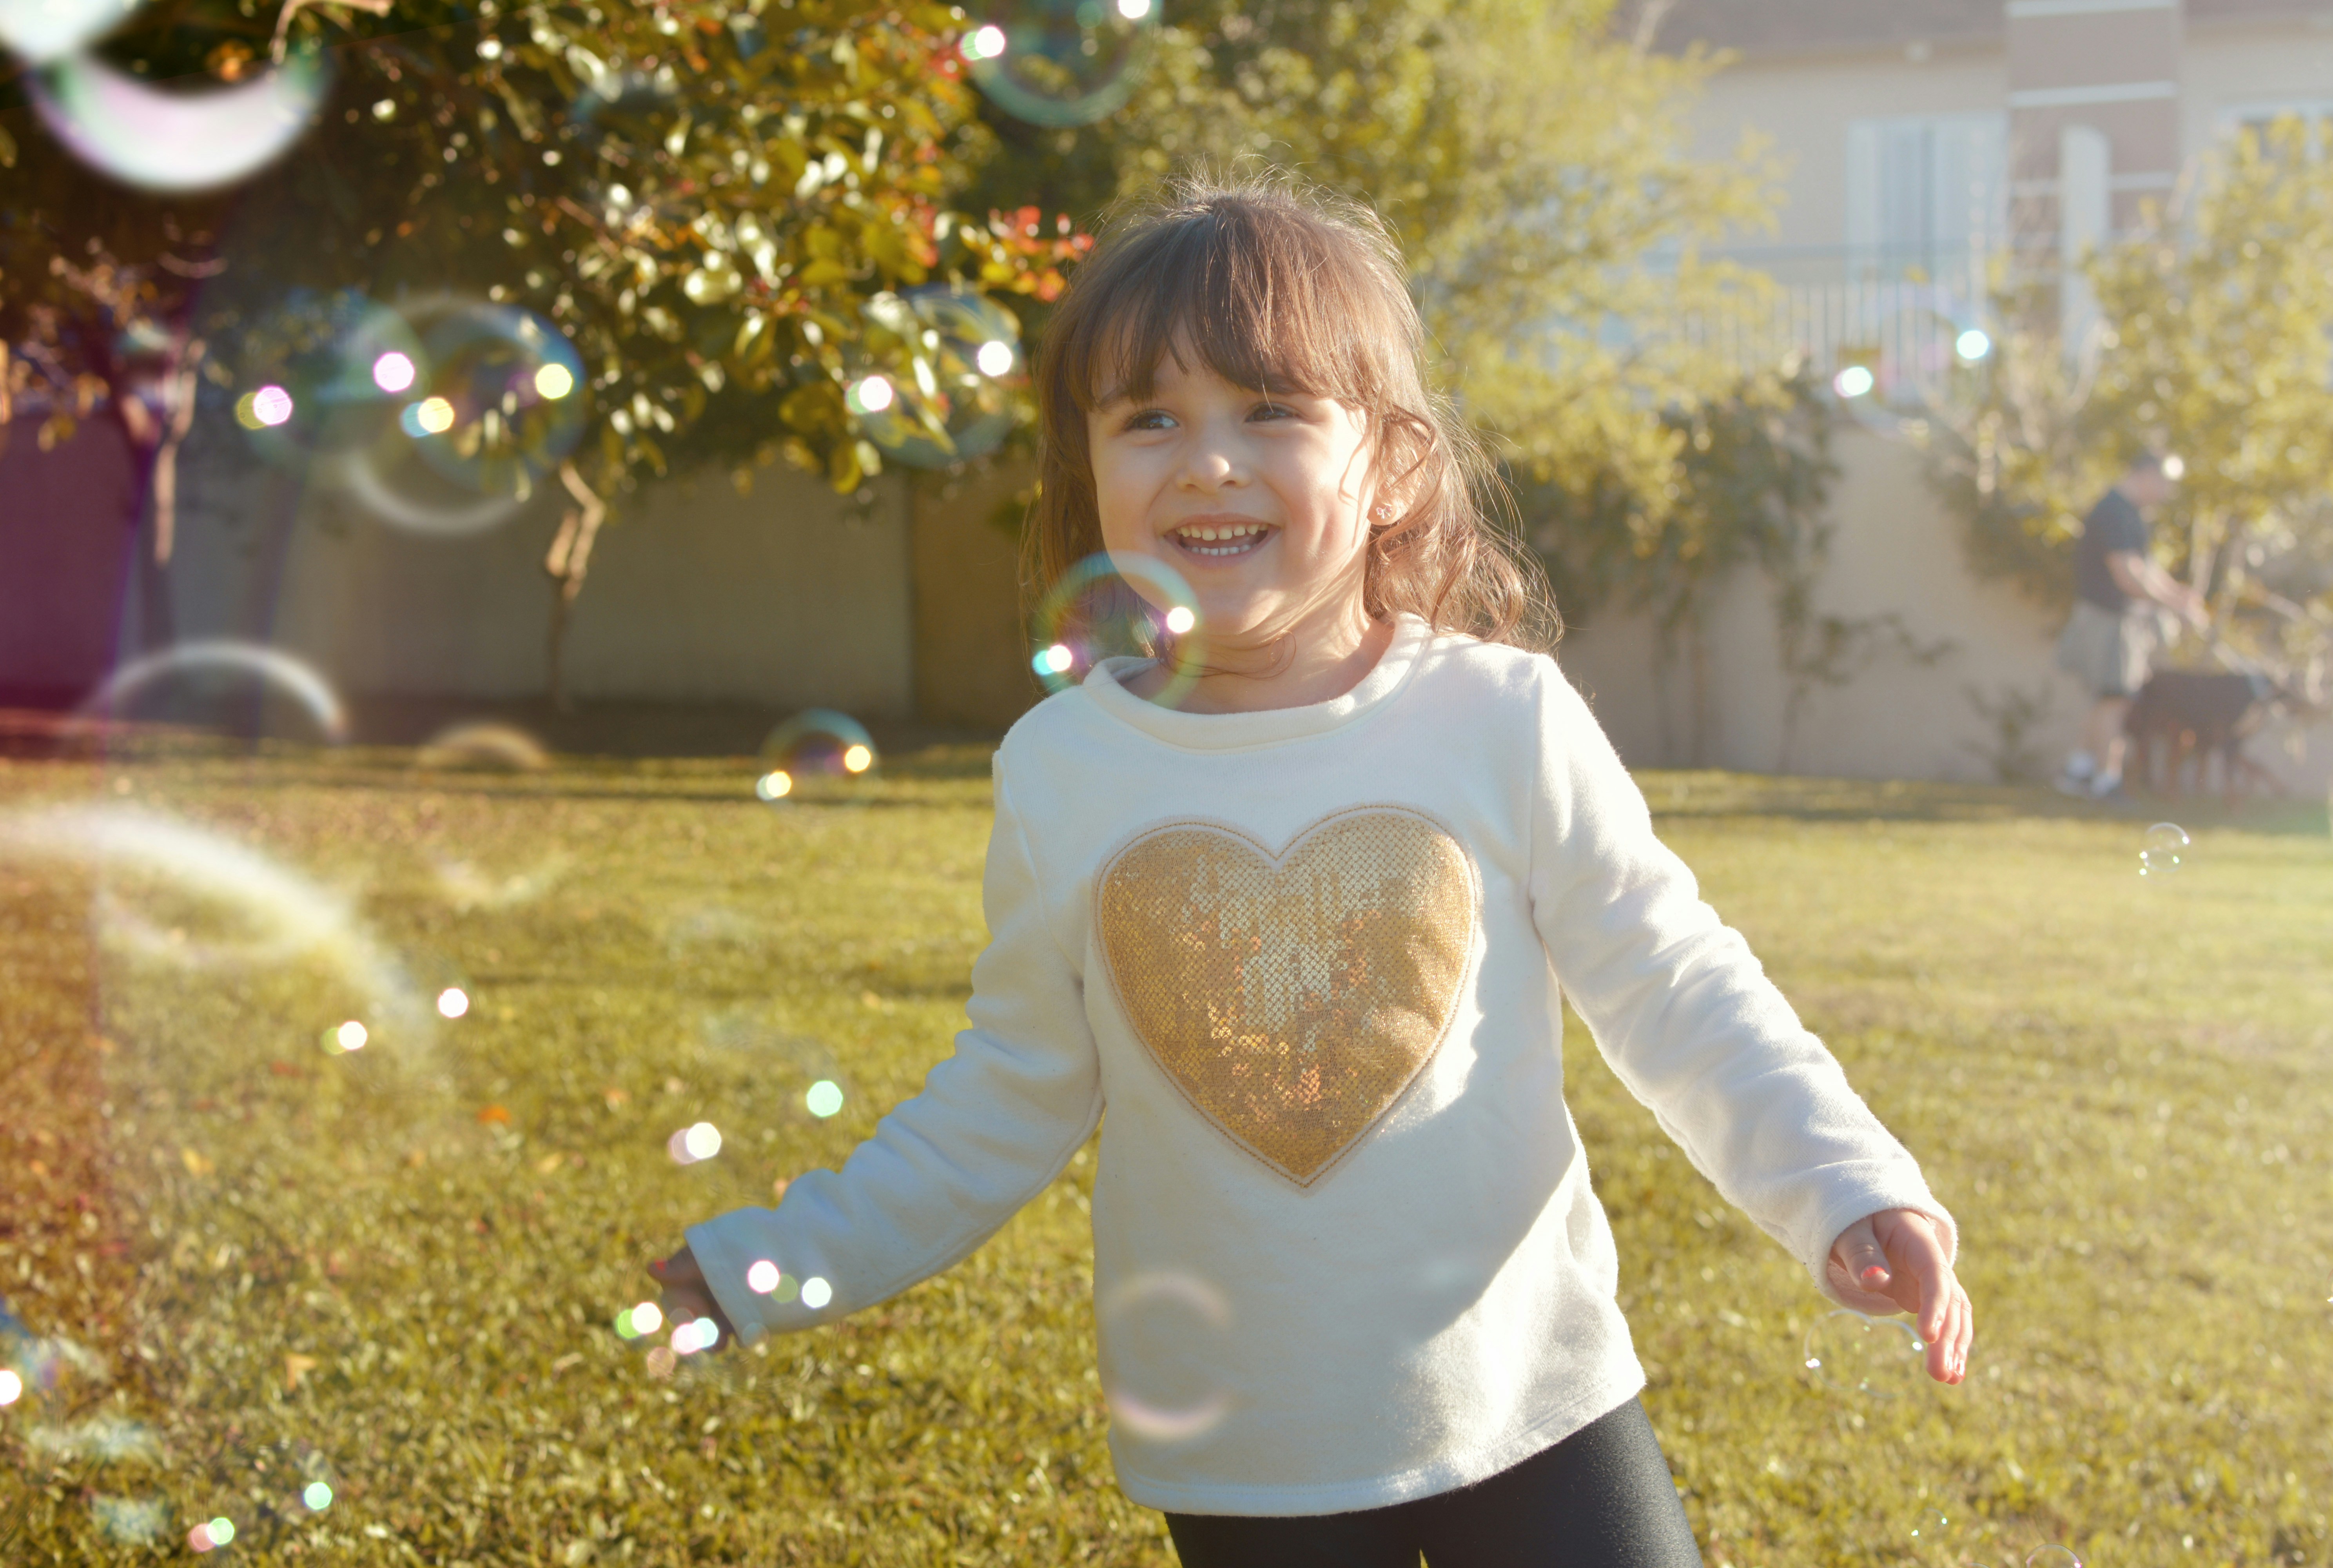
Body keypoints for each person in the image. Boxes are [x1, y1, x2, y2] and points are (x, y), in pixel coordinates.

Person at [646, 174, 1972, 1568]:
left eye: (1267, 409)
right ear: (1086, 465)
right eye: (1147, 417)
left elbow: (1672, 977)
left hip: (1533, 1396)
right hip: (1250, 1446)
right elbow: (1006, 1089)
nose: (1205, 461)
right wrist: (777, 1260)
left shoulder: (1498, 717)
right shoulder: (1064, 767)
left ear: (1392, 463)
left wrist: (1841, 1178)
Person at [2054, 450, 2208, 799]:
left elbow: (2146, 569)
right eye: (2165, 483)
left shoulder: (2130, 515)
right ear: (2147, 475)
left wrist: (2179, 596)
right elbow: (2127, 576)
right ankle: (2106, 780)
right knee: (2115, 698)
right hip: (2107, 620)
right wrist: (2174, 606)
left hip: (2119, 620)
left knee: (2110, 699)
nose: (2167, 492)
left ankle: (2077, 770)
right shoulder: (2113, 512)